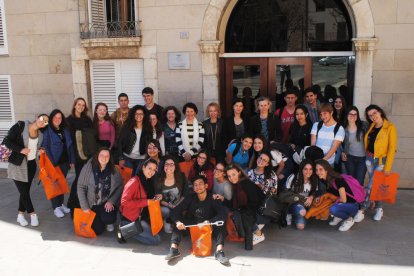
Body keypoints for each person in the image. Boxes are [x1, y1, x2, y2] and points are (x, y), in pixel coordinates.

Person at [165, 175, 229, 265]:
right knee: (178, 222)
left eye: (200, 184)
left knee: (220, 223)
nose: (198, 186)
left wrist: (209, 222)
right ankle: (174, 249)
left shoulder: (213, 198)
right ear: (194, 188)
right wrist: (178, 222)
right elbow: (174, 212)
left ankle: (219, 252)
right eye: (195, 185)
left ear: (206, 186)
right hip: (194, 227)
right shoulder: (190, 198)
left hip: (209, 228)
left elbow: (223, 213)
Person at [353, 105, 398, 222]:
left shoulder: (390, 128)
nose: (373, 116)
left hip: (381, 161)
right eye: (370, 115)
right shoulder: (371, 126)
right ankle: (379, 208)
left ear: (380, 112)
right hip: (369, 158)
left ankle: (362, 210)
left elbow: (392, 149)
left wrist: (387, 168)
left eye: (374, 113)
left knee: (371, 186)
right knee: (376, 185)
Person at [4, 114, 49, 227]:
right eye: (42, 119)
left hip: (31, 165)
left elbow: (35, 149)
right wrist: (21, 149)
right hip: (17, 165)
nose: (43, 122)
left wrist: (40, 151)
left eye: (46, 122)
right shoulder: (20, 126)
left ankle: (20, 215)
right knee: (24, 192)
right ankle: (33, 214)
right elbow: (7, 141)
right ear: (37, 118)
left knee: (24, 192)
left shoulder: (41, 135)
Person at [77, 147, 123, 235]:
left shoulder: (114, 170)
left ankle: (108, 221)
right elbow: (80, 187)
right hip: (92, 203)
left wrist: (111, 201)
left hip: (106, 203)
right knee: (97, 230)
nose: (104, 158)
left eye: (107, 156)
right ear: (97, 155)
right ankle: (100, 220)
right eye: (102, 155)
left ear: (110, 158)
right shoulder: (88, 167)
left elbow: (120, 186)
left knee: (108, 218)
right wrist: (85, 206)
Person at [119, 158, 162, 245]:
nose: (152, 171)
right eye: (149, 168)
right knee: (156, 240)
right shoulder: (134, 181)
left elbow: (148, 198)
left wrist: (157, 197)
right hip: (131, 218)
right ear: (143, 168)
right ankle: (124, 231)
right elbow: (124, 202)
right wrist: (147, 202)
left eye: (154, 169)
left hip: (142, 216)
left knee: (157, 235)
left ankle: (131, 230)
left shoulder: (148, 180)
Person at [42, 109, 75, 218]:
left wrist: (71, 160)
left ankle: (60, 204)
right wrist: (51, 163)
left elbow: (69, 145)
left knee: (61, 184)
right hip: (54, 162)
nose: (57, 119)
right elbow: (45, 146)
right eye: (55, 117)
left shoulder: (64, 129)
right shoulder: (47, 130)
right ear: (51, 118)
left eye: (59, 117)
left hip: (65, 162)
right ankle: (55, 207)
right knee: (54, 185)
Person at [66, 97, 94, 216]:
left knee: (86, 179)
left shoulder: (87, 119)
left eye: (83, 105)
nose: (81, 107)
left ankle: (82, 200)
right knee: (78, 178)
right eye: (79, 104)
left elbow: (91, 136)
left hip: (87, 154)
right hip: (76, 155)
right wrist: (71, 158)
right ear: (74, 105)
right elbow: (68, 141)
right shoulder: (68, 120)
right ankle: (72, 202)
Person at [315, 159, 360, 232]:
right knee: (325, 204)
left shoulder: (337, 180)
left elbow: (343, 199)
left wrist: (328, 203)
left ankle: (349, 219)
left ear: (326, 169)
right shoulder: (324, 179)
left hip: (352, 206)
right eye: (316, 170)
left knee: (332, 209)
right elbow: (331, 194)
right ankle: (339, 215)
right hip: (342, 204)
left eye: (320, 169)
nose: (318, 172)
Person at [226, 163, 263, 250]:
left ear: (239, 173)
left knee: (244, 215)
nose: (231, 178)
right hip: (250, 208)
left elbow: (255, 202)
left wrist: (245, 213)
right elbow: (235, 204)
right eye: (229, 176)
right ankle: (249, 234)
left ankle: (258, 234)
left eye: (233, 174)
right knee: (238, 213)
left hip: (260, 211)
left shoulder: (245, 183)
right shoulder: (236, 184)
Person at [154, 156, 187, 234]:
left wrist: (177, 205)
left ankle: (174, 221)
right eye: (166, 164)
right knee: (166, 211)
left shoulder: (181, 176)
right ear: (163, 166)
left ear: (175, 167)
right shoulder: (158, 179)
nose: (168, 166)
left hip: (179, 205)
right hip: (166, 207)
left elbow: (185, 194)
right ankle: (166, 220)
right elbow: (158, 198)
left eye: (171, 164)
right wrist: (170, 205)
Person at [285, 159, 318, 230]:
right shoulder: (293, 177)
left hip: (304, 204)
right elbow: (285, 193)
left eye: (310, 169)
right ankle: (289, 213)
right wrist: (300, 199)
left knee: (301, 227)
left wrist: (311, 197)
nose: (308, 172)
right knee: (301, 210)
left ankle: (298, 214)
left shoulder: (314, 179)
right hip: (292, 202)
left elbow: (315, 191)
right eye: (305, 169)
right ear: (301, 169)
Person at [341, 106, 367, 186]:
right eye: (350, 114)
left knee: (359, 181)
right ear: (347, 115)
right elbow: (338, 143)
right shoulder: (343, 128)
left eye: (355, 114)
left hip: (362, 159)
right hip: (350, 157)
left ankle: (358, 198)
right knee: (350, 180)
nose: (353, 116)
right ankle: (351, 198)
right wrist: (342, 152)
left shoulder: (364, 125)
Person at [118, 105, 148, 173]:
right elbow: (120, 142)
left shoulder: (147, 128)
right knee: (128, 179)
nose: (138, 115)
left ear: (144, 115)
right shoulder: (127, 126)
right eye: (136, 114)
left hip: (142, 159)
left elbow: (149, 143)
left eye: (141, 114)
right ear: (133, 115)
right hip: (127, 157)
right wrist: (121, 158)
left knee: (137, 179)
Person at [110, 93, 130, 163]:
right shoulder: (114, 115)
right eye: (121, 100)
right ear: (118, 102)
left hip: (130, 144)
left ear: (128, 101)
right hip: (118, 146)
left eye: (125, 100)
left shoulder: (133, 113)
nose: (123, 102)